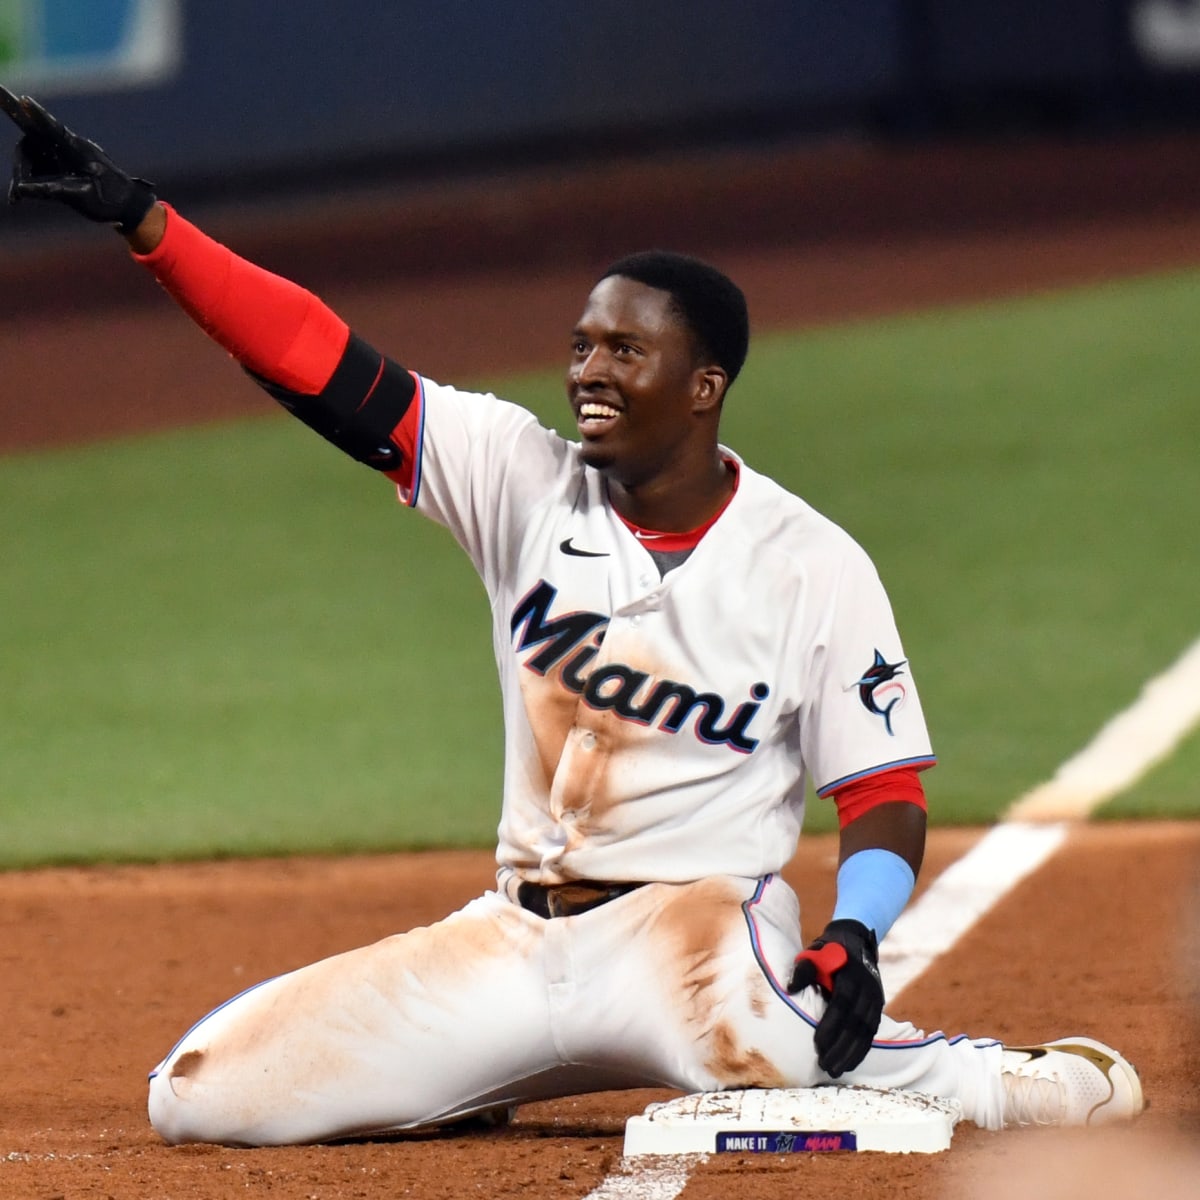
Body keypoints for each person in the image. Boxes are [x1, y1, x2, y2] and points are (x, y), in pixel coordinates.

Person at [1, 87, 1144, 1147]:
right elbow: (318, 362)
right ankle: (474, 1080)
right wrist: (144, 221)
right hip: (515, 941)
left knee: (800, 1052)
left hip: (689, 935)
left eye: (625, 349)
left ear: (705, 386)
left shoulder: (812, 565)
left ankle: (1032, 1073)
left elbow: (884, 791)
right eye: (583, 343)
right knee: (197, 1099)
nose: (588, 369)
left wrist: (852, 935)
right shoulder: (517, 475)